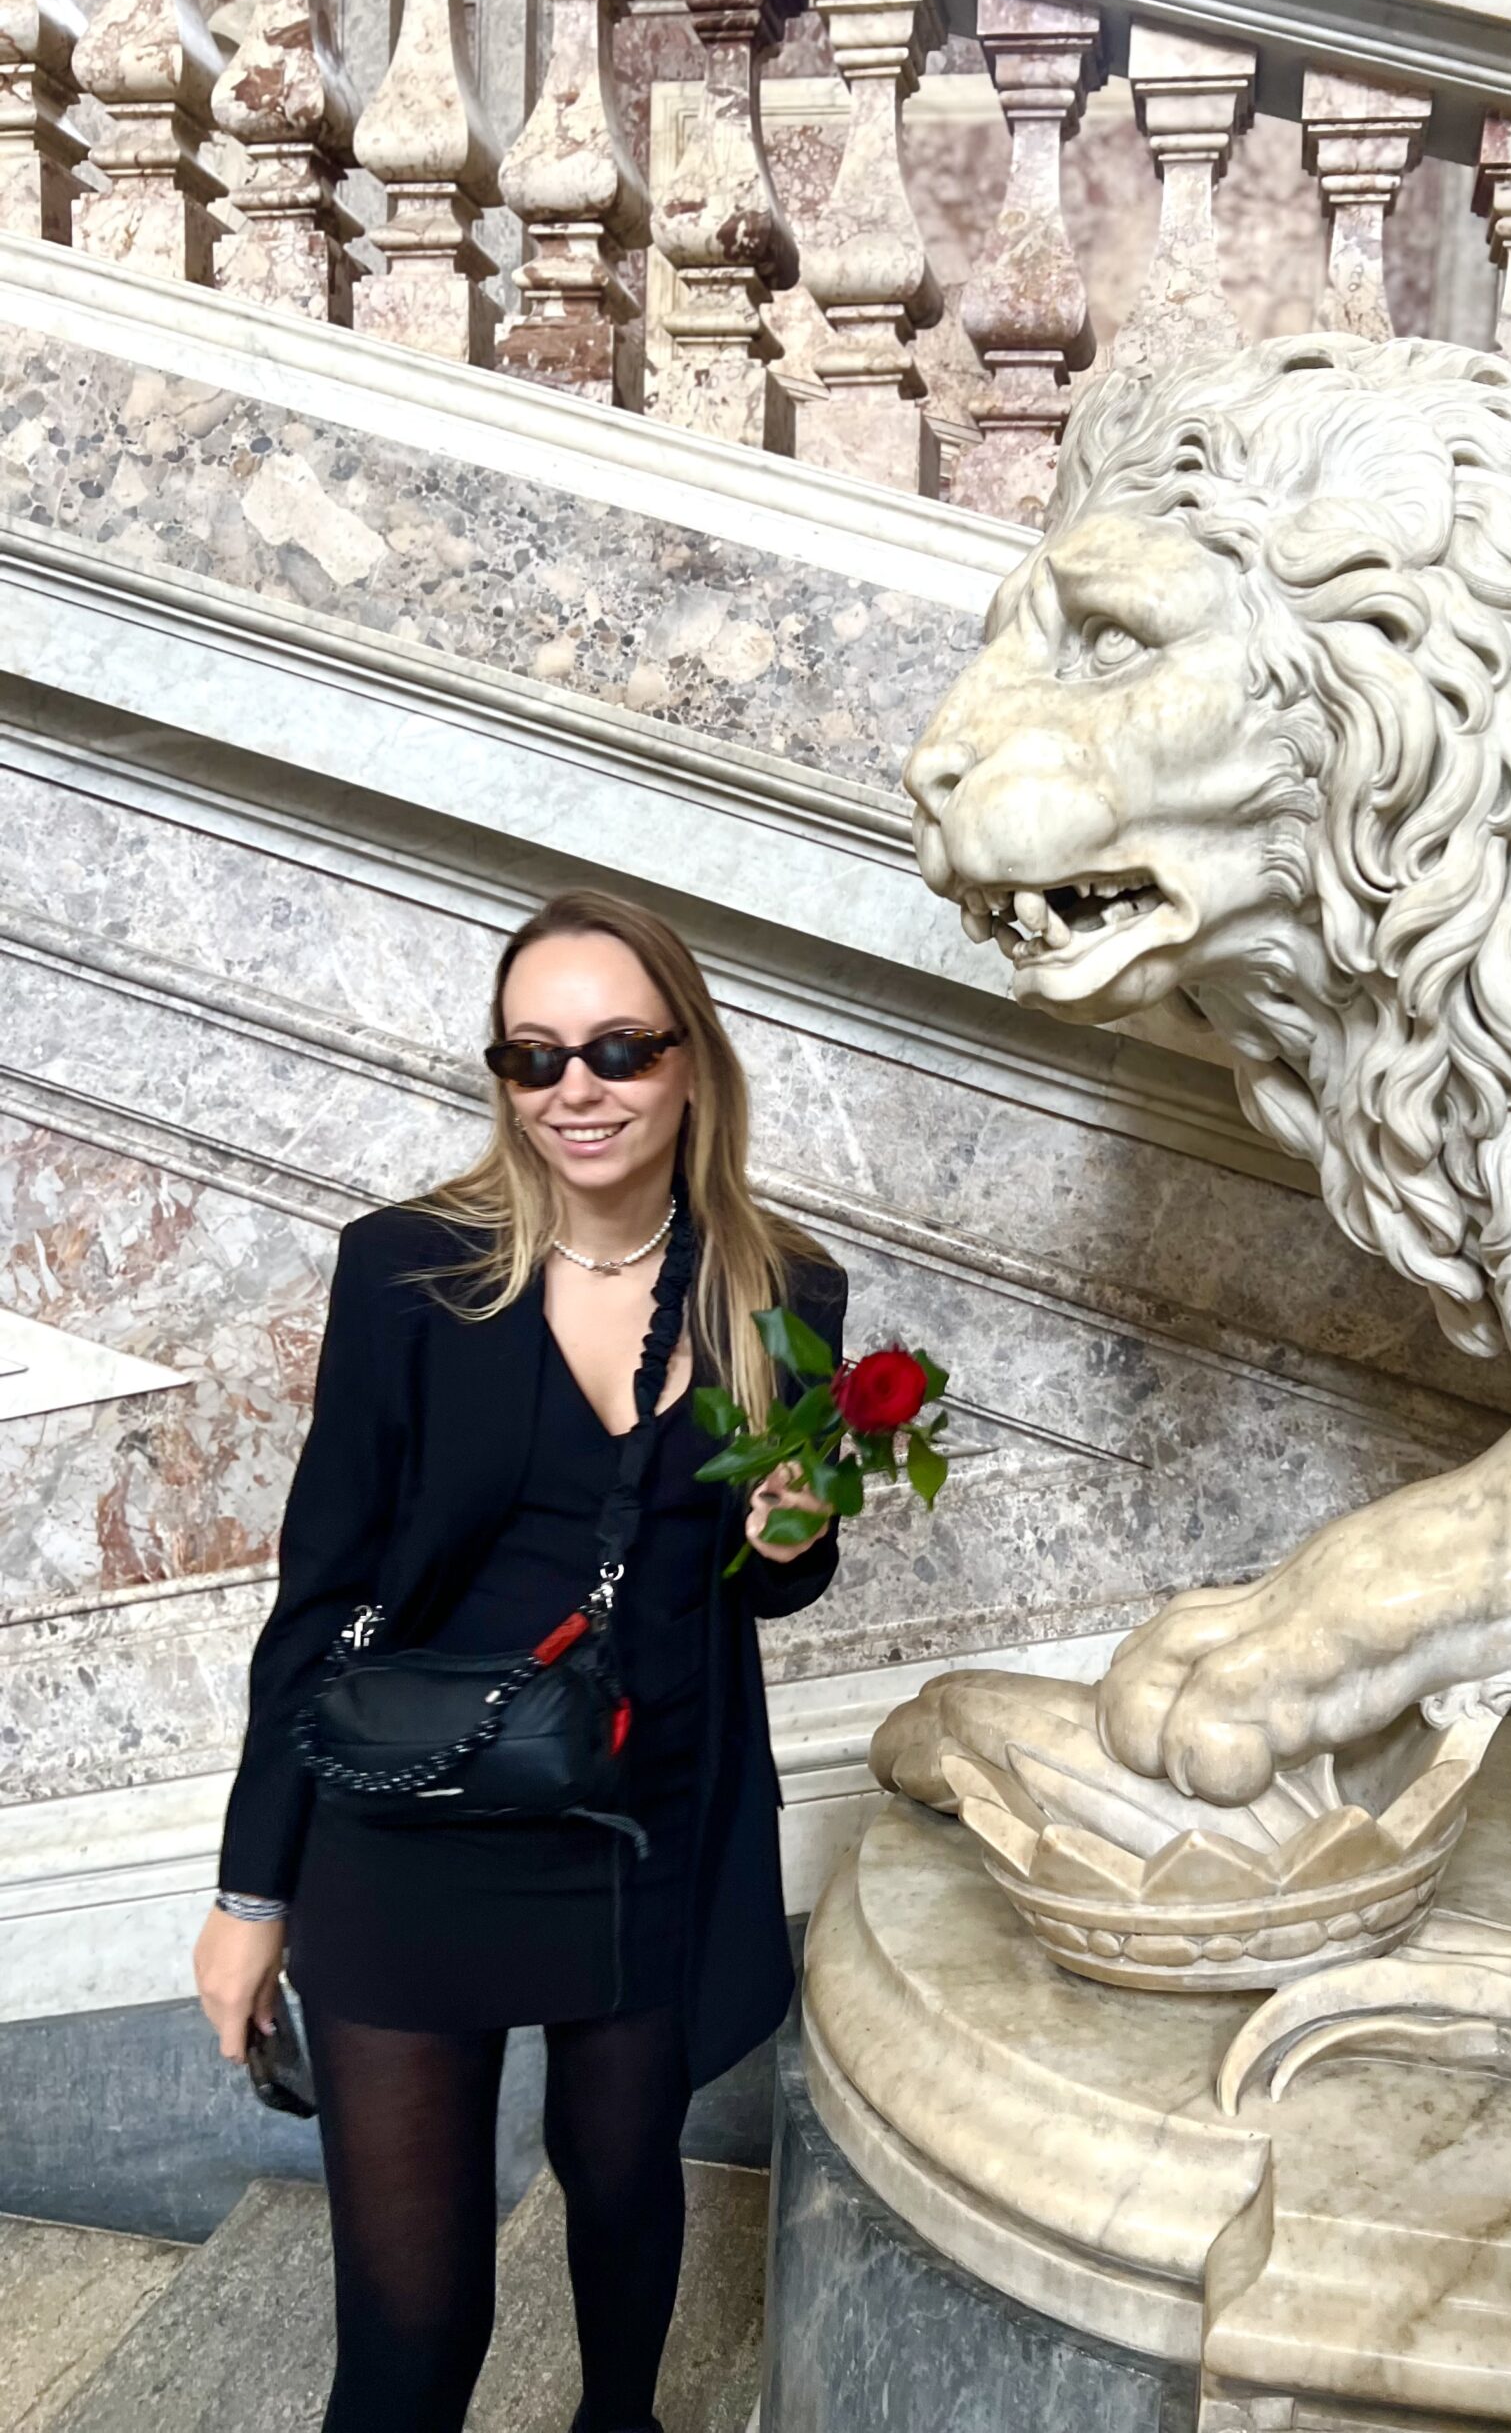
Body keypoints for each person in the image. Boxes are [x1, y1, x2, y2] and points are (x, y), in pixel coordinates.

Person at [191, 887, 847, 2433]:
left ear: (691, 1061)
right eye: (534, 1057)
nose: (576, 1090)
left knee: (622, 2203)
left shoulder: (785, 1292)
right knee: (413, 2335)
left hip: (641, 1829)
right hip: (408, 1828)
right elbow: (320, 1593)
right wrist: (250, 1893)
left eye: (618, 1048)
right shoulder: (407, 1273)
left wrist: (791, 1536)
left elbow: (769, 1584)